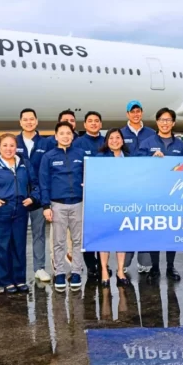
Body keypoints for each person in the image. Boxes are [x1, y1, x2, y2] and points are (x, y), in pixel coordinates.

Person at [0, 133, 40, 294]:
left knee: (19, 246)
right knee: (2, 246)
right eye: (5, 145)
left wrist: (32, 198)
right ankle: (5, 281)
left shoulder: (24, 164)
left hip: (20, 210)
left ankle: (19, 279)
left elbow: (35, 184)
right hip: (1, 210)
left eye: (12, 145)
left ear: (16, 147)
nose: (8, 149)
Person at [139, 107, 183, 282]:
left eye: (168, 120)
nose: (165, 123)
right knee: (154, 231)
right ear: (157, 122)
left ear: (173, 123)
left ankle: (170, 266)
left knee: (171, 231)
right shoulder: (147, 143)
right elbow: (137, 165)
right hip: (153, 194)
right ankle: (155, 267)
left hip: (173, 195)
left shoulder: (180, 145)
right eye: (162, 120)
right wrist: (150, 159)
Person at [40, 121, 86, 292]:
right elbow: (44, 182)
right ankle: (59, 272)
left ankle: (76, 272)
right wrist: (46, 206)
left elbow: (89, 176)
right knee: (58, 241)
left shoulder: (80, 154)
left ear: (73, 136)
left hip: (78, 203)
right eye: (62, 133)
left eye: (68, 133)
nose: (65, 136)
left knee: (78, 240)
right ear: (56, 136)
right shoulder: (48, 157)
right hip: (57, 204)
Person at [119, 101, 156, 274]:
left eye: (138, 111)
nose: (135, 114)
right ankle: (125, 262)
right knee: (128, 223)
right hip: (127, 186)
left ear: (142, 112)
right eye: (132, 111)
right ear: (127, 114)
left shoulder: (151, 133)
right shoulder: (120, 133)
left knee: (145, 223)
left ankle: (145, 262)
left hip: (147, 186)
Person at [16, 108, 50, 283]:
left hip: (39, 196)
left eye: (32, 119)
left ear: (36, 121)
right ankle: (18, 270)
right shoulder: (13, 142)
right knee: (17, 235)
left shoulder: (46, 143)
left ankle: (39, 268)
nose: (29, 122)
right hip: (18, 197)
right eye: (25, 119)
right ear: (20, 122)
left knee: (39, 234)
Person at [96, 128, 132, 287]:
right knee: (104, 238)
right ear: (107, 141)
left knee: (121, 237)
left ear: (122, 141)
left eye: (118, 138)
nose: (115, 141)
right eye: (111, 138)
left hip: (124, 203)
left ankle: (120, 271)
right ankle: (104, 270)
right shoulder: (99, 158)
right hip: (105, 204)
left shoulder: (130, 158)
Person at [73, 111, 105, 279]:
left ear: (101, 124)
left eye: (96, 121)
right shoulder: (77, 143)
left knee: (101, 230)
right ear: (84, 124)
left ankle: (102, 264)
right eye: (90, 121)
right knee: (87, 232)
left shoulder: (106, 141)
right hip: (84, 195)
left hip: (103, 194)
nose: (93, 123)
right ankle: (91, 266)